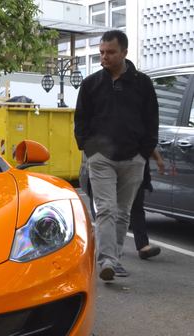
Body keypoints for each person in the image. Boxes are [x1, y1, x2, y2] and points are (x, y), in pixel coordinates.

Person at [74, 30, 158, 281]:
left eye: (110, 52)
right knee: (106, 209)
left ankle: (115, 257)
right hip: (101, 159)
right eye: (101, 52)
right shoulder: (91, 84)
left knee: (123, 212)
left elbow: (151, 119)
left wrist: (144, 153)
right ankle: (107, 261)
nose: (104, 57)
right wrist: (89, 149)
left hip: (133, 158)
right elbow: (81, 120)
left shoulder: (142, 84)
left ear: (124, 52)